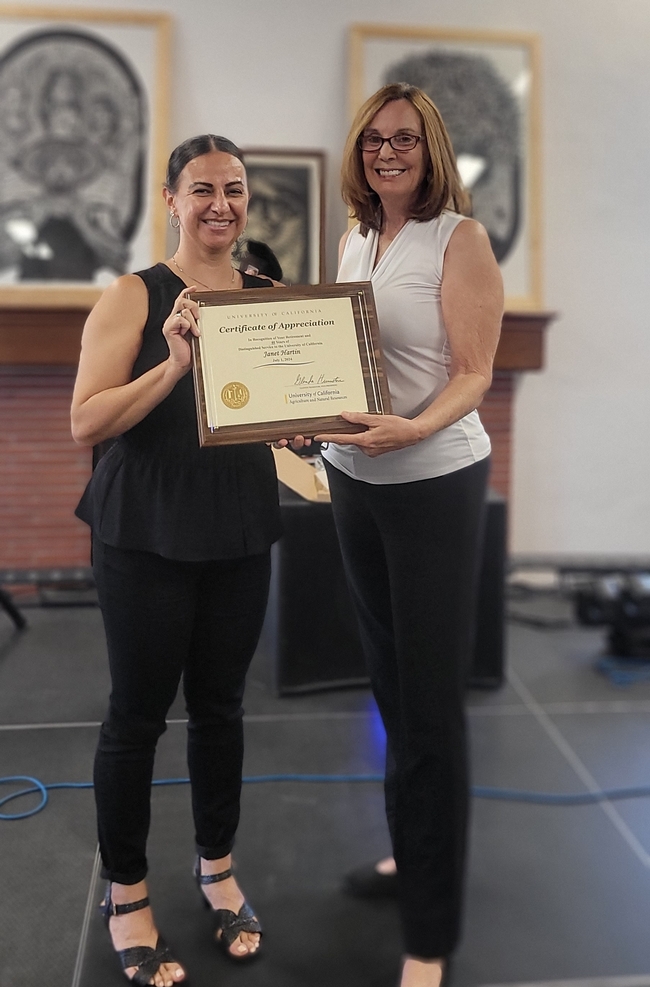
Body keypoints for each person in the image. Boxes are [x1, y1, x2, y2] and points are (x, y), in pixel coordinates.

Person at [71, 134, 283, 986]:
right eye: (203, 189)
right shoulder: (134, 295)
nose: (220, 205)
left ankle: (216, 864)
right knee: (137, 717)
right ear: (171, 198)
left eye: (234, 189)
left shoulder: (268, 295)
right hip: (145, 531)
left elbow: (270, 414)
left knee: (223, 709)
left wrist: (304, 425)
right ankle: (125, 891)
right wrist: (174, 363)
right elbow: (87, 421)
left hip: (238, 527)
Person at [315, 83, 503, 987]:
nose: (389, 152)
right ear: (359, 152)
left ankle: (430, 934)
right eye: (375, 140)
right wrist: (303, 417)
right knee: (389, 689)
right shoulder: (356, 237)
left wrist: (412, 430)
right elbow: (339, 359)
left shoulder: (457, 240)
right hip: (356, 482)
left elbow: (473, 374)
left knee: (429, 706)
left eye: (406, 139)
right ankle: (412, 855)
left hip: (432, 481)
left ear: (430, 150)